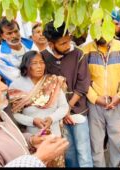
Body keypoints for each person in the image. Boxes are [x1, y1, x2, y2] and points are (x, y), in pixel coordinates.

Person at [42, 21, 93, 167]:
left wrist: (67, 108)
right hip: (56, 115)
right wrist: (61, 112)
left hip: (77, 110)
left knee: (84, 153)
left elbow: (83, 84)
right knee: (68, 154)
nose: (68, 45)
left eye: (68, 40)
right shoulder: (43, 57)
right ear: (51, 45)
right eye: (63, 43)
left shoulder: (78, 53)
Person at [82, 33, 120, 166]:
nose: (101, 32)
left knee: (117, 142)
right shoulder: (85, 50)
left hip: (117, 103)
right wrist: (95, 98)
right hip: (94, 104)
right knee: (96, 142)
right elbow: (82, 79)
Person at [9, 51, 69, 136]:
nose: (39, 66)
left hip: (54, 133)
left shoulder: (53, 81)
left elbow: (63, 107)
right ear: (26, 66)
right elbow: (14, 114)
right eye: (34, 63)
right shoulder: (16, 86)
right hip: (32, 136)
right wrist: (32, 121)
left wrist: (51, 119)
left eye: (41, 62)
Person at [0, 18, 38, 85]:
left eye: (16, 31)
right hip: (17, 88)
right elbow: (15, 76)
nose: (14, 36)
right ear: (2, 36)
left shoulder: (32, 45)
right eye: (9, 33)